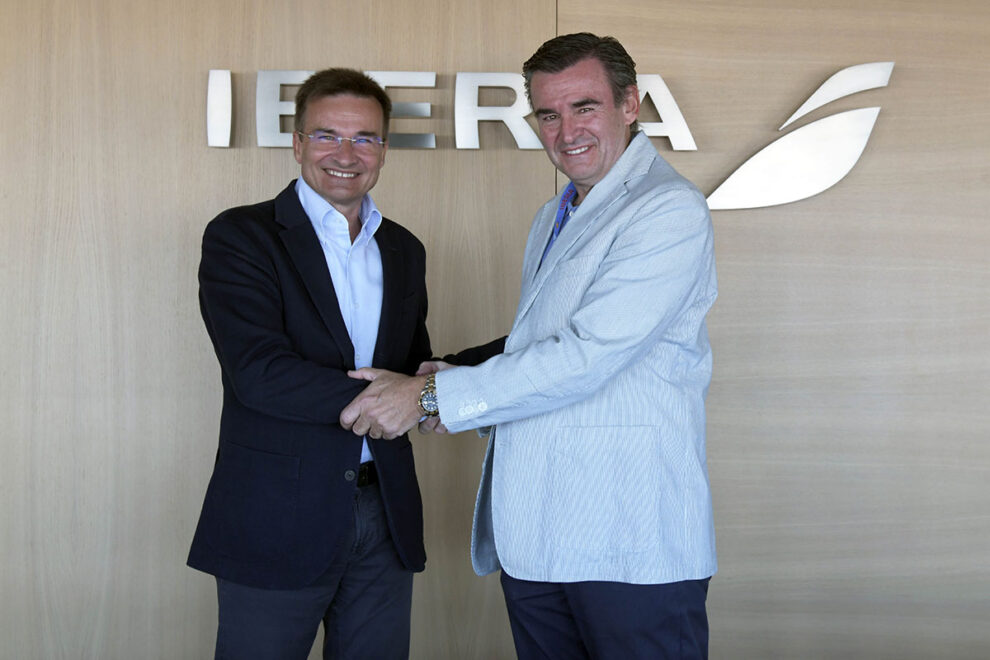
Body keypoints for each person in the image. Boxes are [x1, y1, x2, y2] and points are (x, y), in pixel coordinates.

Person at [340, 33, 717, 659]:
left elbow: (588, 353)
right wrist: (450, 372)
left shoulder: (667, 209)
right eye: (548, 113)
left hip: (630, 540)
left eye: (584, 107)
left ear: (631, 105)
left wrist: (431, 393)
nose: (566, 130)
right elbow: (540, 340)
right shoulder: (558, 211)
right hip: (539, 538)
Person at [187, 68, 431, 660]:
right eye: (326, 135)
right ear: (298, 144)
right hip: (276, 513)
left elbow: (410, 365)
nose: (345, 154)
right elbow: (259, 373)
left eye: (365, 138)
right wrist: (395, 400)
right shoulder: (242, 236)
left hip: (384, 512)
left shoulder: (403, 247)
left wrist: (450, 382)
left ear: (383, 149)